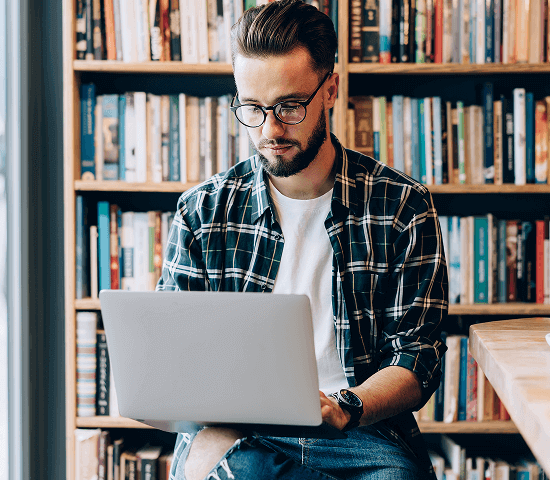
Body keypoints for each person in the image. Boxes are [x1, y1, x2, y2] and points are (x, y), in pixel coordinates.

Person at [156, 1, 448, 478]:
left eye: (290, 107)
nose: (270, 130)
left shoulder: (402, 207)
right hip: (243, 432)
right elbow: (175, 355)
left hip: (361, 432)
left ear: (330, 90)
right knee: (233, 466)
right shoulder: (202, 212)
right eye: (252, 108)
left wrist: (345, 407)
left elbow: (418, 358)